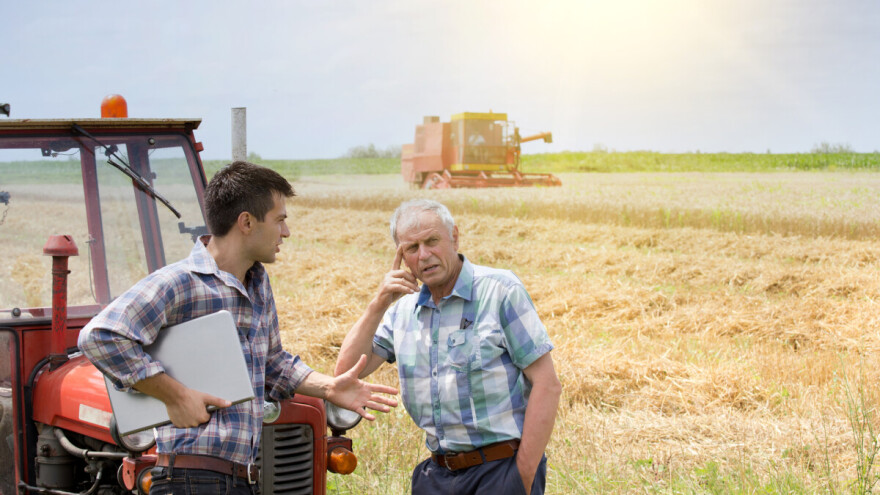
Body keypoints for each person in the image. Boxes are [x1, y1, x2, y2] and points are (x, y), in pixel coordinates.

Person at [78, 161, 397, 494]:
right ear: (246, 222)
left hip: (242, 477)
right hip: (190, 480)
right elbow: (100, 336)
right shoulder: (180, 282)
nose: (285, 233)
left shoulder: (257, 285)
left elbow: (273, 364)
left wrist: (328, 387)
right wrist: (176, 396)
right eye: (280, 220)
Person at [336, 199, 561, 495]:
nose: (424, 255)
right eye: (412, 248)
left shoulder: (499, 291)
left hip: (500, 470)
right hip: (437, 475)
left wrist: (522, 474)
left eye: (432, 241)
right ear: (401, 256)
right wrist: (378, 303)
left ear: (454, 237)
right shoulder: (402, 311)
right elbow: (347, 371)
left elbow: (547, 384)